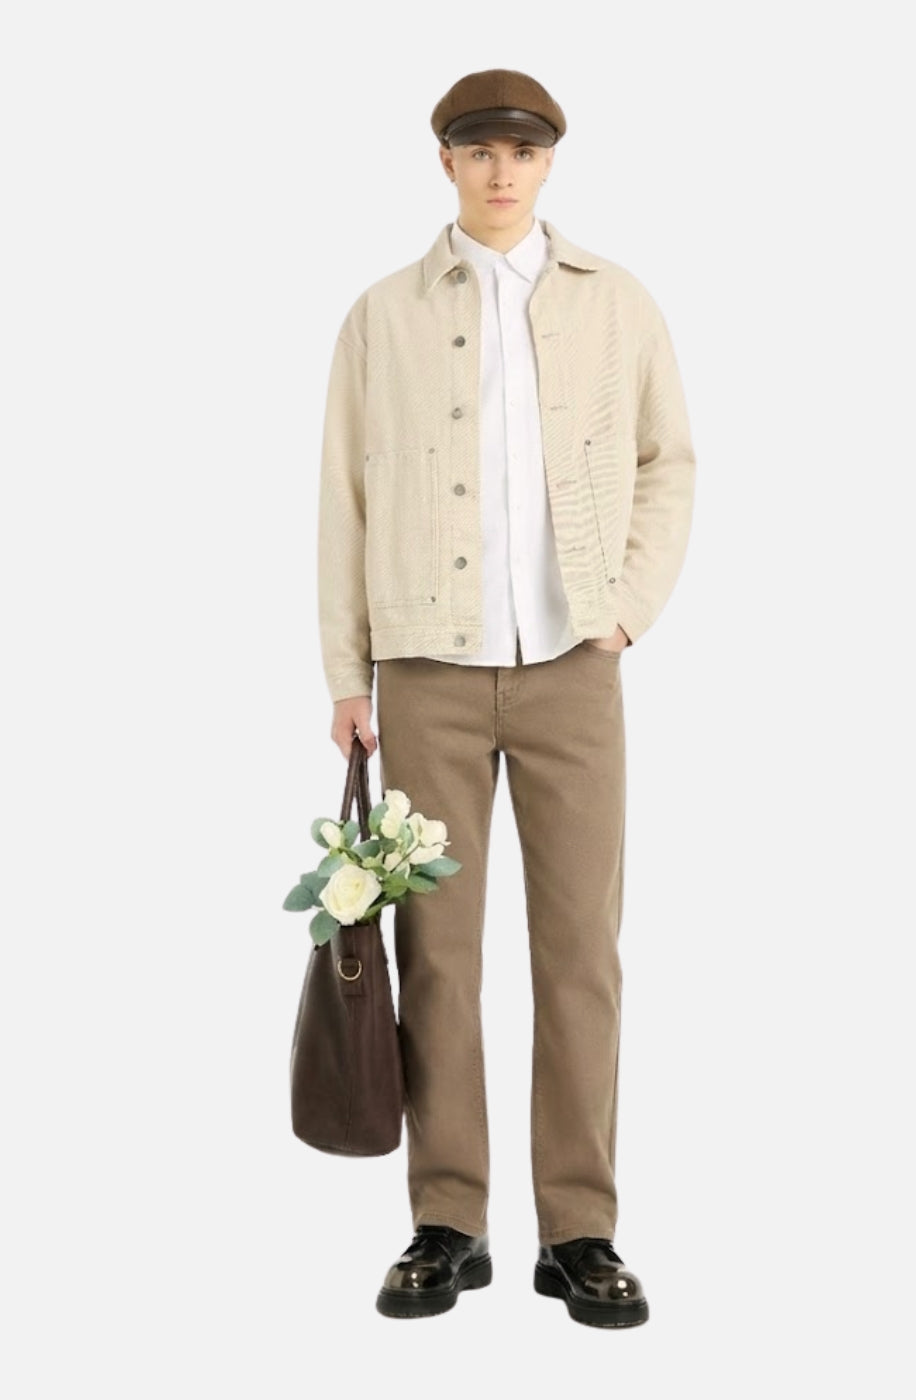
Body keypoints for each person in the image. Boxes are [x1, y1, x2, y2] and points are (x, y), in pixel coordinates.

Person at [317, 67, 696, 1328]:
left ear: (548, 163)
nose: (500, 170)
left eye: (521, 151)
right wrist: (347, 673)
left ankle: (579, 1230)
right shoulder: (380, 316)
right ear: (444, 161)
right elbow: (342, 501)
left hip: (574, 669)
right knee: (437, 955)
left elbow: (669, 461)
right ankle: (449, 1219)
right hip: (424, 670)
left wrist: (626, 604)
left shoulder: (615, 303)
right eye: (478, 149)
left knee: (580, 952)